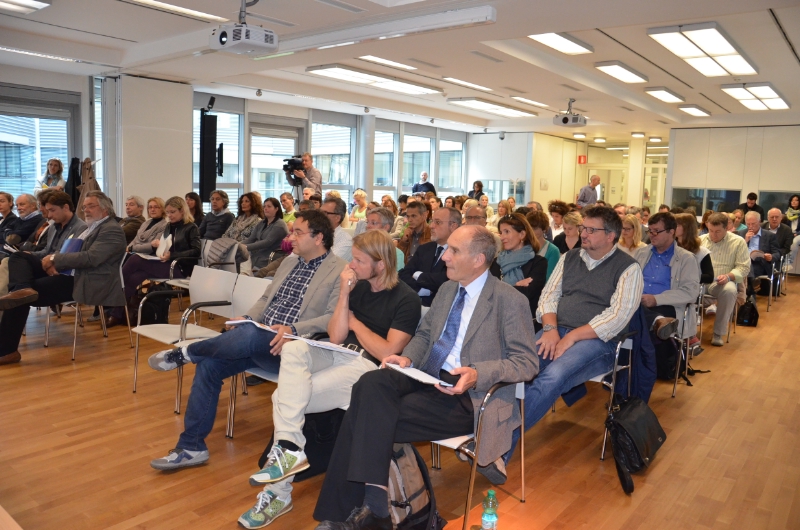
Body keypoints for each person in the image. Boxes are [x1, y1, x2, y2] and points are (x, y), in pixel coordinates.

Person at [313, 226, 538, 527]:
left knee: (364, 416)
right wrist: (407, 358)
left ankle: (351, 514)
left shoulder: (508, 300)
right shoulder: (447, 290)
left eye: (454, 251)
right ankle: (375, 501)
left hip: (466, 394)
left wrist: (477, 373)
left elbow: (526, 363)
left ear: (478, 259)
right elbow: (424, 335)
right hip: (426, 374)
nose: (444, 257)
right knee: (370, 383)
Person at [241, 230, 420, 528]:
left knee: (283, 398)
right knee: (294, 347)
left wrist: (356, 323)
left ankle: (278, 491)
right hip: (337, 352)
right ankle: (289, 450)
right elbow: (336, 336)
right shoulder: (358, 287)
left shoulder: (406, 299)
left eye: (359, 260)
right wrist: (345, 294)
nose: (351, 265)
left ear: (380, 264)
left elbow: (388, 351)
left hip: (367, 367)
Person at [147, 210, 346, 471]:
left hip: (290, 347)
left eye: (298, 232)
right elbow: (265, 299)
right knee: (209, 365)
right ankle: (191, 447)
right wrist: (248, 317)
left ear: (318, 237)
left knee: (249, 335)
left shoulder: (340, 271)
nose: (290, 238)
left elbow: (332, 317)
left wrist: (293, 329)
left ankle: (188, 352)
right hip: (257, 340)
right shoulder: (289, 263)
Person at [503, 205, 643, 467]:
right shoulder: (570, 257)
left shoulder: (628, 267)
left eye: (591, 229)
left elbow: (617, 317)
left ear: (610, 235)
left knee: (553, 375)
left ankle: (498, 445)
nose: (583, 234)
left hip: (598, 341)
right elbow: (549, 296)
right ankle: (488, 434)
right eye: (583, 228)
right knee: (515, 367)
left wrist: (573, 337)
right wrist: (550, 329)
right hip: (556, 330)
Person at [0, 191, 124, 365]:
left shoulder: (111, 229)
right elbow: (71, 253)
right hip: (69, 272)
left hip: (85, 280)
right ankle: (21, 289)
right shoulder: (92, 227)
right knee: (18, 258)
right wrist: (54, 260)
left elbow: (91, 258)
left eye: (91, 206)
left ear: (105, 208)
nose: (86, 210)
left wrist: (54, 259)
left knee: (21, 297)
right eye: (84, 207)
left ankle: (6, 351)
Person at [111, 196, 201, 327]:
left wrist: (172, 255)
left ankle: (115, 286)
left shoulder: (191, 227)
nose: (169, 215)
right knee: (134, 278)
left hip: (180, 267)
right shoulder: (169, 226)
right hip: (166, 263)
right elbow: (167, 246)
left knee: (135, 259)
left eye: (172, 212)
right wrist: (158, 245)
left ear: (182, 211)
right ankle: (116, 314)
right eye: (168, 212)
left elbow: (196, 251)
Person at [633, 212, 700, 341]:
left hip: (668, 305)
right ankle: (657, 322)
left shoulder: (686, 258)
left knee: (638, 319)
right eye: (650, 231)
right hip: (638, 302)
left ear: (671, 232)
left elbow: (690, 293)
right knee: (631, 313)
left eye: (657, 231)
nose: (652, 235)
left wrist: (656, 299)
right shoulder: (640, 253)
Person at [490, 213, 548, 330]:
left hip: (526, 324)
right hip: (496, 321)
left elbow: (527, 294)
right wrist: (516, 286)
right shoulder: (497, 261)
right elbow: (489, 292)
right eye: (501, 233)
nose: (502, 237)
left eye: (507, 232)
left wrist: (503, 289)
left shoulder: (538, 263)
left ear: (522, 234)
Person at [700, 213, 750, 347]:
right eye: (710, 230)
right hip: (702, 281)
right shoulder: (700, 240)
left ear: (726, 228)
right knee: (684, 288)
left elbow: (744, 267)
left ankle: (718, 333)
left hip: (723, 282)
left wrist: (729, 276)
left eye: (717, 231)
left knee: (729, 291)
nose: (713, 235)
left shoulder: (738, 242)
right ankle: (688, 332)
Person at [399, 207, 460, 306]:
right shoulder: (425, 248)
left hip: (443, 307)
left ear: (453, 226)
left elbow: (447, 280)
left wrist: (418, 275)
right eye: (432, 221)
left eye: (438, 222)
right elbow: (403, 274)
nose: (431, 226)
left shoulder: (459, 252)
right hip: (415, 304)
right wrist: (420, 290)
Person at [738, 211, 780, 294]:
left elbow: (777, 253)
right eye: (748, 224)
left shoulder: (769, 235)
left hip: (761, 263)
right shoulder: (741, 233)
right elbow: (736, 250)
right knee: (748, 265)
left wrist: (771, 257)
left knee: (749, 268)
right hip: (743, 261)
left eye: (753, 224)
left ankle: (750, 292)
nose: (750, 226)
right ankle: (752, 287)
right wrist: (745, 241)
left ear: (759, 222)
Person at [245, 197, 289, 271]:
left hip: (270, 257)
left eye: (269, 206)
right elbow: (251, 239)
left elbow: (267, 242)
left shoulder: (280, 224)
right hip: (258, 255)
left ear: (276, 209)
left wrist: (245, 247)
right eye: (264, 206)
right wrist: (237, 244)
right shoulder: (262, 223)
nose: (265, 208)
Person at [675, 213, 714, 285]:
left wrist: (687, 277)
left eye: (677, 225)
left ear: (687, 228)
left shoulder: (702, 252)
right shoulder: (669, 248)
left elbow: (709, 277)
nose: (673, 228)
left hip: (690, 288)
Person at [525, 210, 561, 281]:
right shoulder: (522, 245)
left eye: (535, 228)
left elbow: (549, 279)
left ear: (544, 229)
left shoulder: (553, 251)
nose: (531, 231)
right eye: (529, 228)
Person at [397, 201, 431, 265]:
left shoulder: (431, 234)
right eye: (408, 216)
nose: (410, 220)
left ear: (424, 215)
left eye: (413, 216)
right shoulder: (407, 234)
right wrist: (403, 241)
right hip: (406, 268)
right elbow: (398, 257)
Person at [321, 197, 353, 262]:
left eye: (325, 213)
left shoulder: (345, 241)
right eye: (319, 212)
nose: (319, 216)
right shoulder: (315, 234)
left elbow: (328, 263)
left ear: (337, 218)